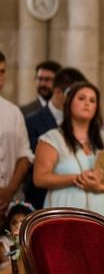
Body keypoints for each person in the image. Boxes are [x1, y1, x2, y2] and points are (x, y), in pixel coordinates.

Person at [33, 81, 104, 225]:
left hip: (101, 210)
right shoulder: (52, 138)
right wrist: (77, 178)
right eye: (81, 98)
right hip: (65, 210)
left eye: (92, 100)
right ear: (69, 103)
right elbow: (40, 178)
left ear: (96, 108)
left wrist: (100, 187)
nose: (87, 103)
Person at [24, 67, 87, 208]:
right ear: (58, 92)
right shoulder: (32, 121)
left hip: (78, 198)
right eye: (76, 95)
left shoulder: (84, 121)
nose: (81, 101)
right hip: (42, 197)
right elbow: (33, 160)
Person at [0, 51, 33, 216]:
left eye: (2, 71)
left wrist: (9, 190)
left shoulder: (13, 112)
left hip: (10, 200)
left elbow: (24, 155)